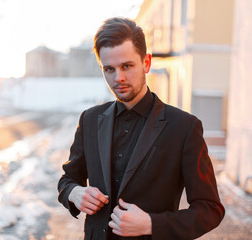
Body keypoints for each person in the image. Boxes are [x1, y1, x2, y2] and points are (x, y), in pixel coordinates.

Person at [58, 17, 225, 240]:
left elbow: (210, 210)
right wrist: (74, 193)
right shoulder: (90, 119)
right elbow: (67, 180)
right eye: (109, 69)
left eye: (127, 66)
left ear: (146, 62)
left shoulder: (184, 127)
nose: (118, 78)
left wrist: (152, 225)